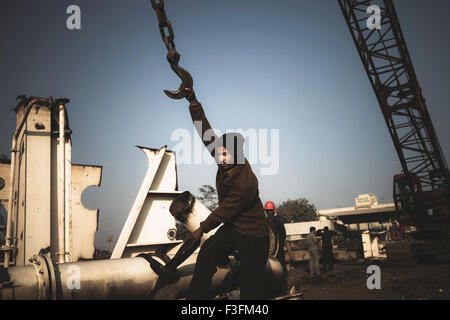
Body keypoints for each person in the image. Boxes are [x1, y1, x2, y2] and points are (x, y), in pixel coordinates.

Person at [184, 88, 270, 300]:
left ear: (237, 155)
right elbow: (205, 131)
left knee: (251, 289)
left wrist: (200, 230)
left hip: (253, 236)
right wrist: (193, 101)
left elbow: (224, 212)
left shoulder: (245, 183)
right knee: (207, 254)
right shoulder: (224, 158)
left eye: (225, 154)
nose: (220, 158)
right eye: (219, 153)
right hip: (234, 229)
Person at [264, 201, 288, 279]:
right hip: (268, 250)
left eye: (270, 210)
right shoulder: (264, 222)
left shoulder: (279, 223)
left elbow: (283, 235)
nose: (269, 212)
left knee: (281, 267)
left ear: (273, 211)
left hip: (278, 251)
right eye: (268, 211)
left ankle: (283, 286)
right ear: (265, 211)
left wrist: (279, 246)